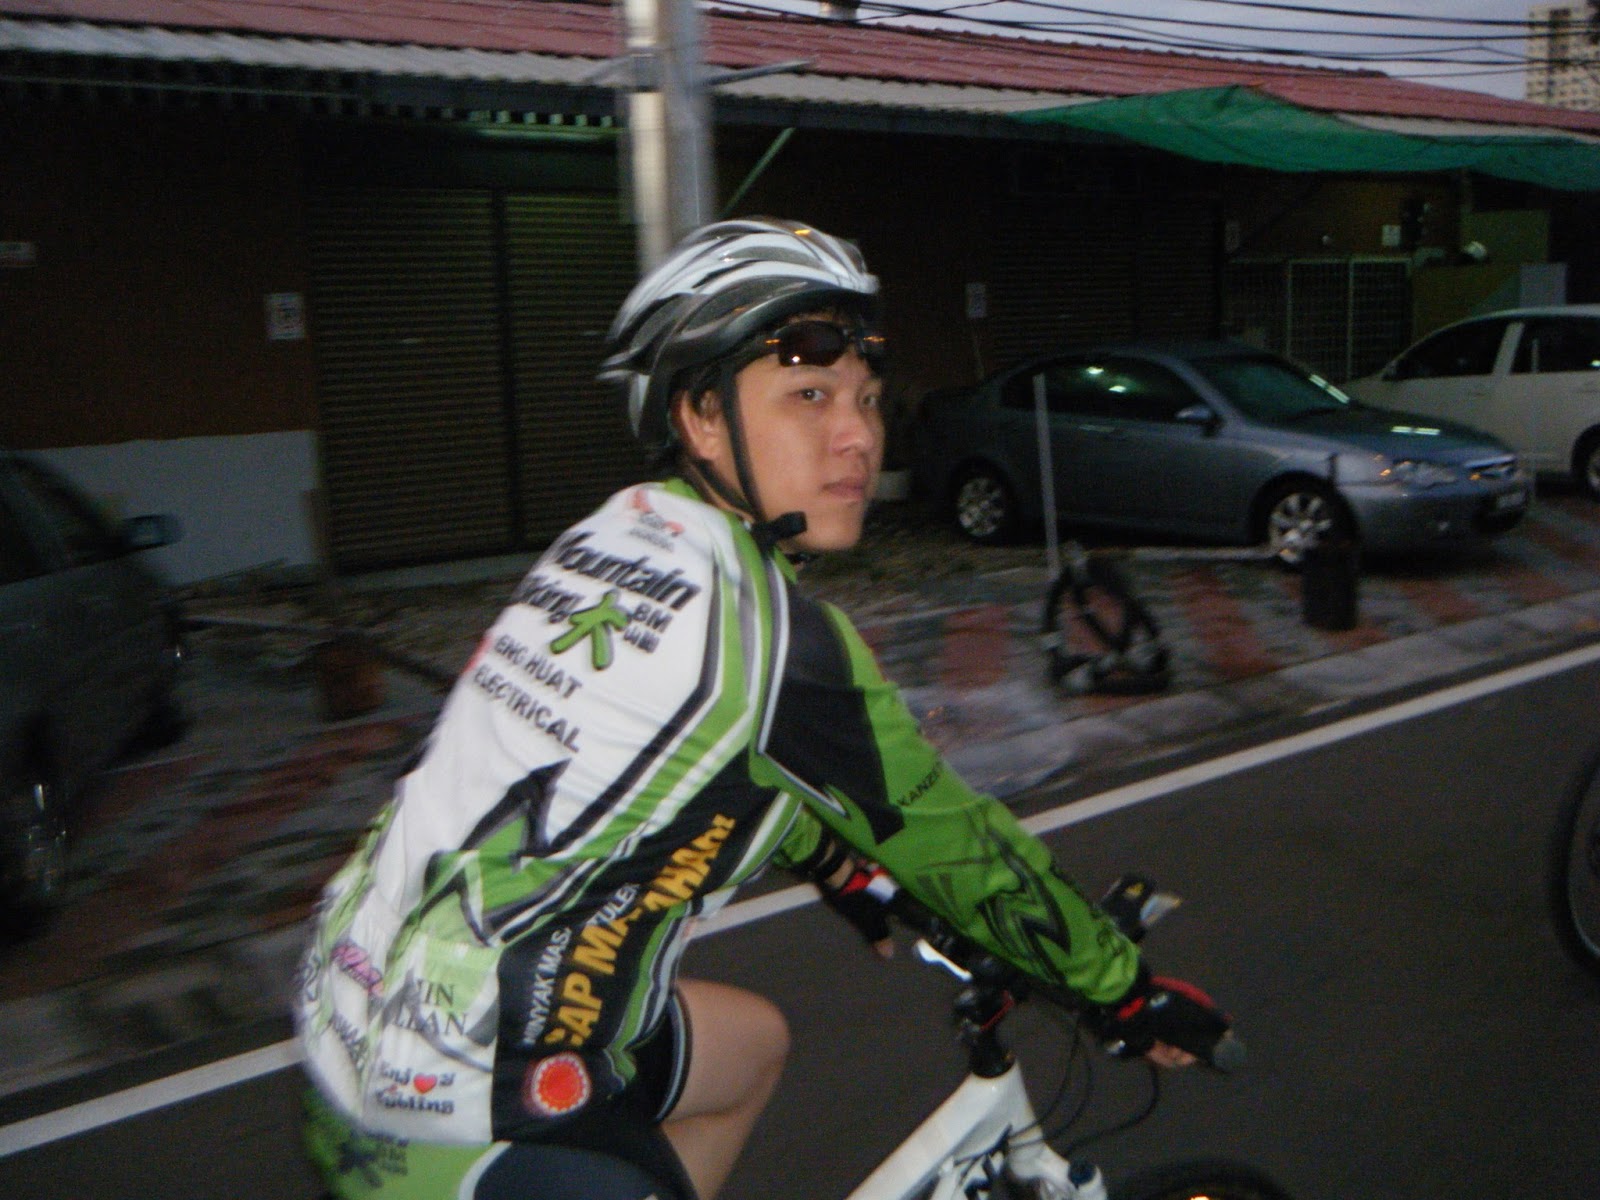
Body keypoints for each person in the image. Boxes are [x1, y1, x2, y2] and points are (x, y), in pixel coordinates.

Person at [295, 217, 1225, 1200]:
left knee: (751, 1047)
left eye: (867, 399)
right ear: (701, 419)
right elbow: (962, 851)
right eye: (808, 396)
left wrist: (832, 860)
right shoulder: (775, 640)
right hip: (463, 1101)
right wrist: (1122, 992)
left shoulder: (616, 533)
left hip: (358, 1010)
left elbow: (680, 767)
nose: (858, 435)